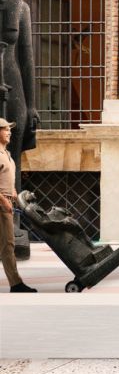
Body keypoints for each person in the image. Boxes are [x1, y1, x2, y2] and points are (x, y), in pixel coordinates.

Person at [0, 118, 35, 293]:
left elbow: (7, 178)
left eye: (9, 129)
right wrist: (4, 200)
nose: (9, 132)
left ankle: (16, 283)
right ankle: (16, 284)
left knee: (7, 244)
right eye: (5, 129)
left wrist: (13, 190)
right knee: (8, 245)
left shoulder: (7, 154)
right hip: (1, 204)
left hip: (7, 202)